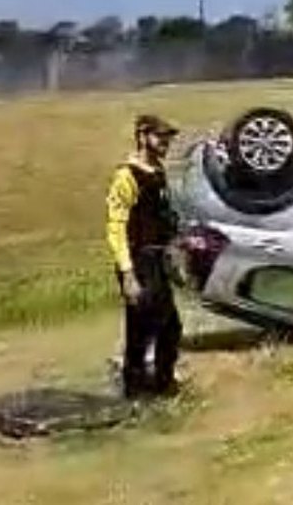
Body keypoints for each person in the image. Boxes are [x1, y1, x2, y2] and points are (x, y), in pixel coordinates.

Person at [105, 114, 183, 399]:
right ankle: (138, 391)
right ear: (142, 136)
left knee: (167, 327)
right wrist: (128, 274)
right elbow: (116, 227)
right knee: (143, 328)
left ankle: (161, 384)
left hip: (157, 259)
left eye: (167, 138)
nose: (165, 143)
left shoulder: (157, 171)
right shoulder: (126, 176)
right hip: (138, 260)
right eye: (159, 137)